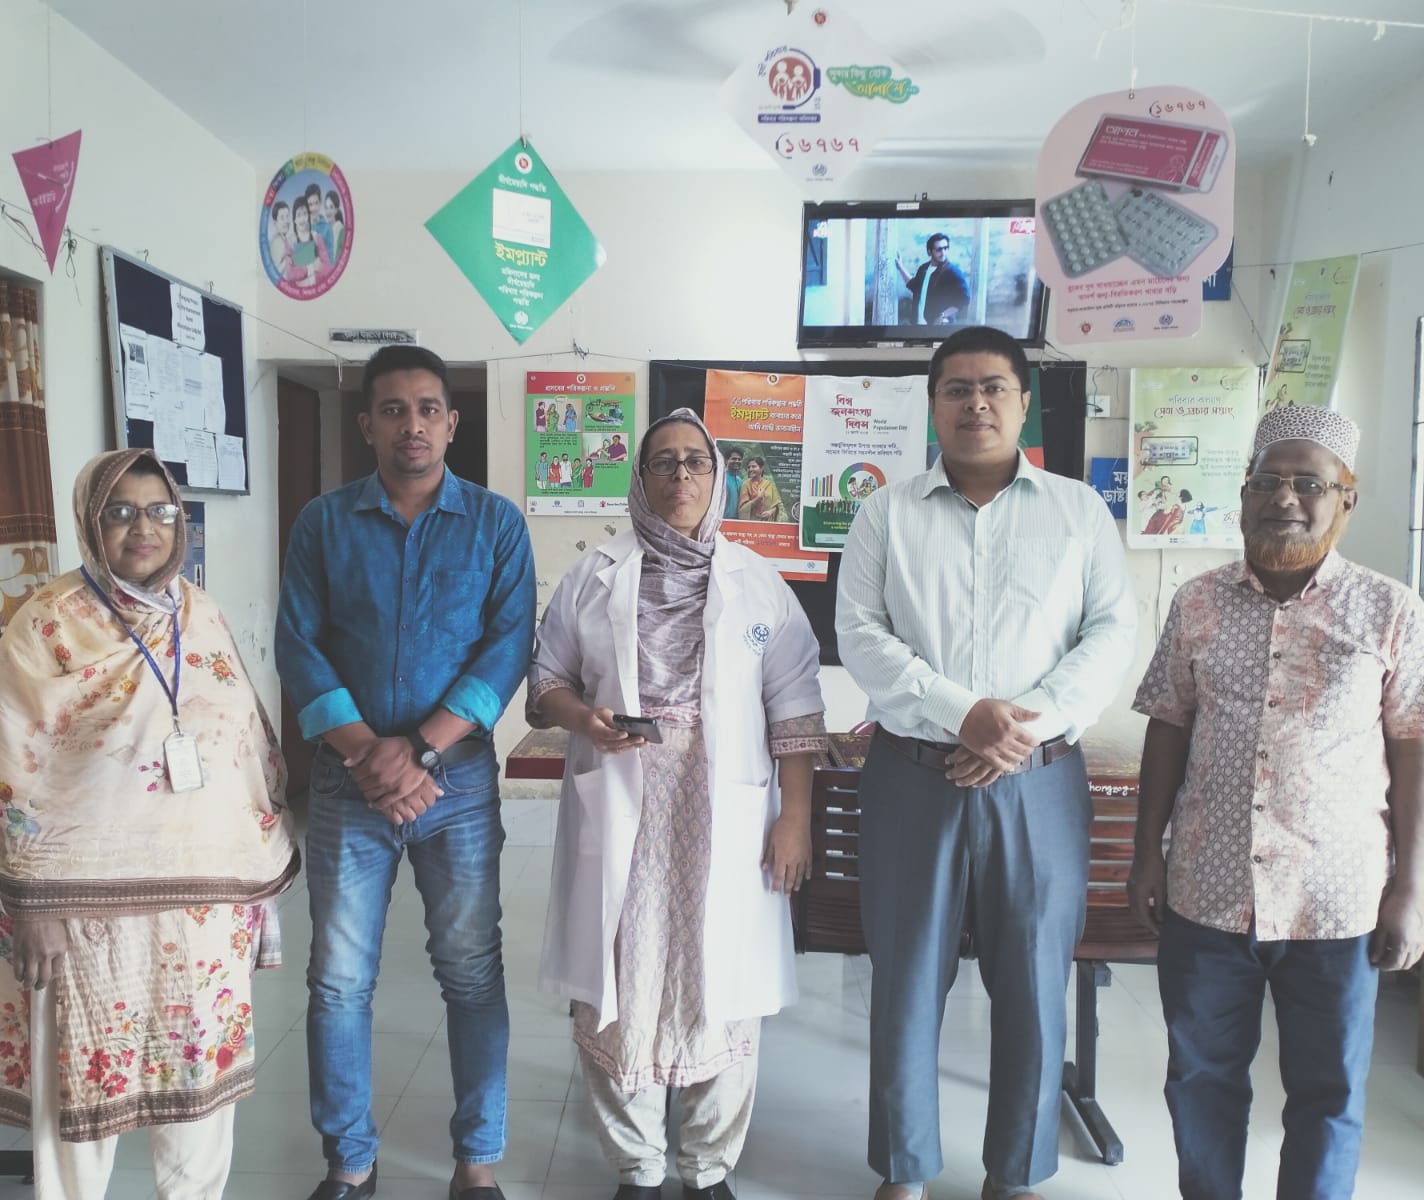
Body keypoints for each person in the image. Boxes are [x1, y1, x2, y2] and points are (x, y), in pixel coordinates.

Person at [835, 325, 1136, 1200]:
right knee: (905, 979)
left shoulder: (1078, 511)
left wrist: (1014, 731)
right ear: (933, 405)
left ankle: (1016, 1172)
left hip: (1038, 782)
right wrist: (960, 713)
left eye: (994, 387)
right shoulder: (884, 513)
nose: (976, 403)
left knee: (1035, 981)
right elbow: (860, 634)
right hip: (913, 777)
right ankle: (904, 1169)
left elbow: (1111, 632)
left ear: (1023, 402)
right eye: (957, 389)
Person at [0, 449, 298, 1200]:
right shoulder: (47, 624)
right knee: (80, 1096)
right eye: (119, 512)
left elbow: (246, 746)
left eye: (159, 511)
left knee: (200, 1095)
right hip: (81, 910)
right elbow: (6, 767)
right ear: (91, 522)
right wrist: (33, 907)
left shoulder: (201, 613)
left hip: (201, 904)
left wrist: (254, 885)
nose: (142, 527)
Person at [1128, 405, 1424, 1200]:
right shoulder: (1198, 602)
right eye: (1267, 481)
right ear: (1243, 494)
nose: (1284, 498)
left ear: (1345, 498)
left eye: (1308, 483)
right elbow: (1168, 725)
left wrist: (1412, 887)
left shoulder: (1391, 609)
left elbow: (1413, 745)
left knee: (1329, 1092)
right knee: (1201, 1078)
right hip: (1208, 888)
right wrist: (1145, 855)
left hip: (1338, 897)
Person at [531, 408, 826, 1200]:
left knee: (717, 976)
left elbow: (797, 709)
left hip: (722, 809)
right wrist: (585, 719)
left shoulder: (757, 582)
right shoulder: (595, 574)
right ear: (640, 478)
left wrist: (795, 818)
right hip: (622, 799)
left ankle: (707, 1166)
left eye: (696, 461)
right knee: (620, 978)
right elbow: (546, 682)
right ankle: (637, 1165)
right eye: (663, 462)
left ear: (718, 474)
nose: (681, 475)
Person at [276, 344, 536, 1200]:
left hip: (454, 783)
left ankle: (477, 1162)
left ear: (452, 423)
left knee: (471, 970)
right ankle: (349, 1162)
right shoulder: (322, 523)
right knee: (338, 980)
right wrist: (366, 752)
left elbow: (507, 647)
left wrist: (418, 749)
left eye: (428, 409)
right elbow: (298, 645)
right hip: (348, 783)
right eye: (394, 410)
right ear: (368, 425)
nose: (412, 425)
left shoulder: (496, 524)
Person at [894, 232, 971, 325]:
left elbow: (965, 299)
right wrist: (900, 266)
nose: (943, 252)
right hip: (918, 324)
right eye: (939, 249)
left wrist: (943, 315)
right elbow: (913, 286)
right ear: (929, 252)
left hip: (939, 327)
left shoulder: (952, 271)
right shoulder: (923, 268)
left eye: (945, 248)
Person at [282, 197, 333, 288]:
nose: (302, 219)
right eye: (299, 215)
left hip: (317, 289)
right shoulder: (290, 242)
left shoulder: (317, 237)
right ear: (294, 219)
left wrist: (303, 271)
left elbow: (328, 269)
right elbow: (290, 275)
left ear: (308, 216)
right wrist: (311, 267)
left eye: (305, 214)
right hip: (298, 292)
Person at [736, 457, 783, 522]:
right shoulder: (746, 485)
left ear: (761, 468)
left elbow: (776, 506)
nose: (750, 469)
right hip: (751, 523)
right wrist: (758, 498)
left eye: (754, 466)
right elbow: (742, 509)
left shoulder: (768, 484)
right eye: (749, 467)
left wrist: (770, 512)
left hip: (767, 523)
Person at [267, 200, 293, 278]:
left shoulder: (284, 239)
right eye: (282, 218)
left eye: (287, 216)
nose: (286, 221)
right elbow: (274, 273)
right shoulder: (277, 242)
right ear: (275, 223)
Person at [321, 190, 346, 264]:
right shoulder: (325, 230)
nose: (328, 211)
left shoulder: (341, 231)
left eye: (331, 207)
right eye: (326, 207)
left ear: (336, 210)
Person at [723, 448, 744, 519]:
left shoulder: (740, 481)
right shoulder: (721, 478)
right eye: (734, 459)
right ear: (726, 460)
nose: (737, 461)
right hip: (723, 519)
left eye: (739, 459)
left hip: (737, 521)